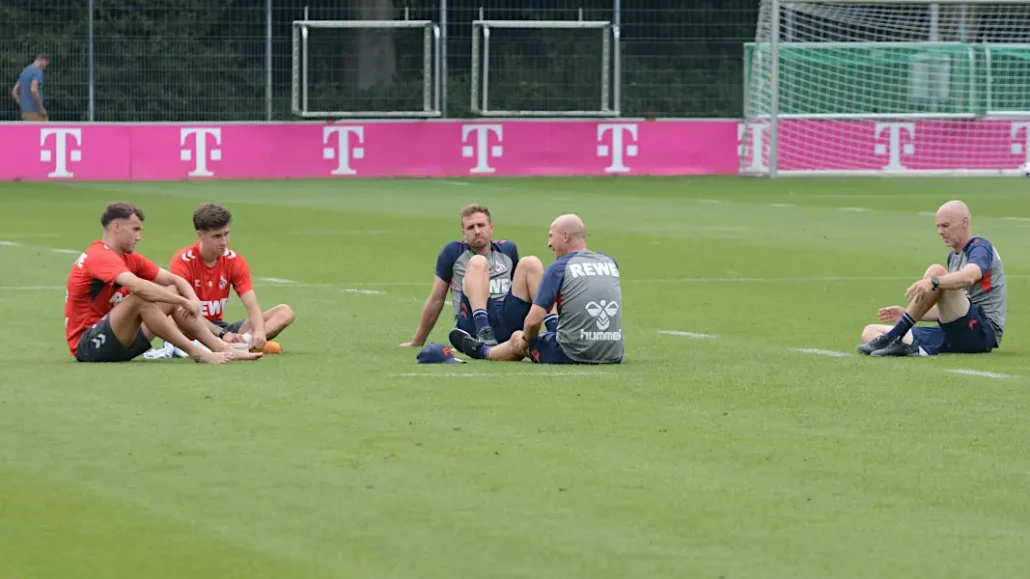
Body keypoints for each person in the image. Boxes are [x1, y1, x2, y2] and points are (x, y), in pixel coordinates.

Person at [64, 201, 262, 364]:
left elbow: (175, 280)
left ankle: (222, 347)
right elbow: (139, 287)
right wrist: (183, 302)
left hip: (121, 341)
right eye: (135, 229)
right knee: (142, 297)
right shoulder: (99, 255)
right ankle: (198, 353)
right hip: (89, 346)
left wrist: (192, 299)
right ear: (117, 227)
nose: (139, 237)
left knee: (171, 290)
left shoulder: (129, 258)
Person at [449, 213, 623, 365]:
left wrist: (526, 340)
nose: (548, 244)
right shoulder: (610, 262)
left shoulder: (559, 267)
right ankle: (486, 331)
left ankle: (482, 351)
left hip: (571, 352)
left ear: (565, 237)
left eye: (551, 236)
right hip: (613, 352)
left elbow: (532, 322)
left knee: (519, 337)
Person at [857, 200, 1006, 357]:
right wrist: (906, 314)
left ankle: (897, 335)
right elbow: (950, 307)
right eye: (938, 226)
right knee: (871, 332)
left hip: (982, 332)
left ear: (964, 222)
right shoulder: (954, 256)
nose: (940, 232)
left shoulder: (980, 247)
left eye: (945, 225)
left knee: (937, 271)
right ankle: (915, 348)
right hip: (957, 328)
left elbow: (969, 276)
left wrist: (934, 281)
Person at [152, 203, 293, 357]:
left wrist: (259, 331)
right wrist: (222, 333)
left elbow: (251, 305)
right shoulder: (183, 261)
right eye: (217, 236)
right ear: (200, 235)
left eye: (226, 234)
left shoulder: (234, 260)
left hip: (218, 327)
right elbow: (184, 311)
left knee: (284, 312)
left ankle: (240, 344)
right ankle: (211, 345)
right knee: (177, 313)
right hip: (191, 326)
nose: (224, 241)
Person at [400, 203, 544, 348]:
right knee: (478, 262)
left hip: (505, 320)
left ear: (491, 228)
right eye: (470, 227)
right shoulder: (453, 252)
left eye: (481, 225)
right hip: (471, 325)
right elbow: (436, 299)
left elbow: (521, 289)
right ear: (464, 233)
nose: (476, 231)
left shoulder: (508, 250)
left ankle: (553, 331)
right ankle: (483, 331)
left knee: (530, 263)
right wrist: (417, 341)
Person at [12, 53, 49, 122]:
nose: (46, 67)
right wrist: (41, 108)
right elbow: (34, 90)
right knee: (44, 130)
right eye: (46, 64)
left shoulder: (24, 71)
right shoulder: (37, 71)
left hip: (25, 112)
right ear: (42, 60)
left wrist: (23, 105)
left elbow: (14, 92)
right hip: (36, 112)